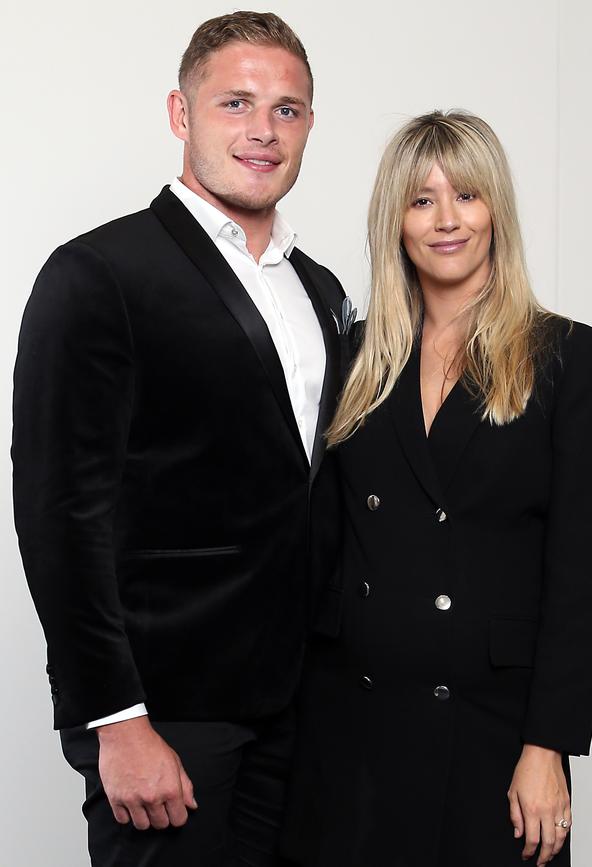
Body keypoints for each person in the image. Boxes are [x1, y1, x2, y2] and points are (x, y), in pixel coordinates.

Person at [12, 11, 346, 867]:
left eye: (287, 109)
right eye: (236, 102)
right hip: (168, 716)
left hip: (304, 709)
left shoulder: (322, 289)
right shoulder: (99, 274)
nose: (263, 131)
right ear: (180, 113)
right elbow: (59, 513)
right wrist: (115, 721)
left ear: (310, 124)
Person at [280, 111, 592, 867]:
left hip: (492, 730)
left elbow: (577, 573)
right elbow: (318, 540)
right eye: (421, 199)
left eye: (466, 195)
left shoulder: (570, 358)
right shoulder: (356, 351)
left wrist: (548, 747)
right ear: (394, 219)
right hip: (350, 727)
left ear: (496, 207)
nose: (445, 220)